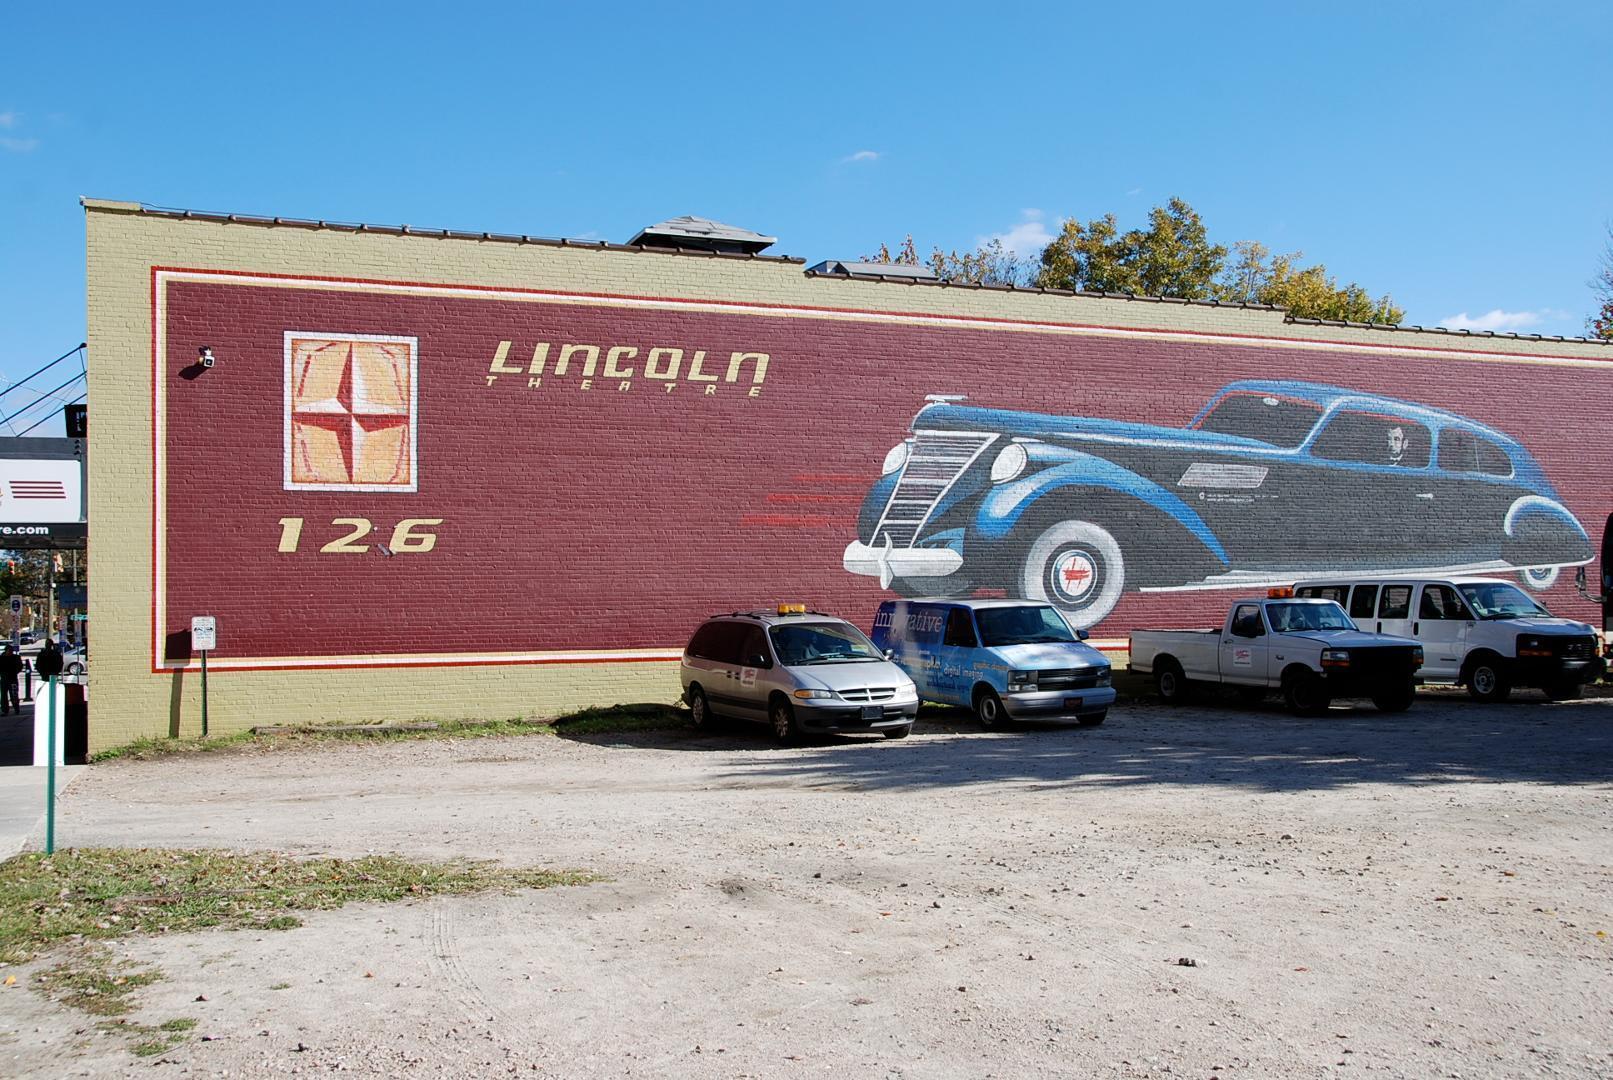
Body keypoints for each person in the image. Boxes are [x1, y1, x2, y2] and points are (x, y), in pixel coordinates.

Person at [0, 645, 20, 715]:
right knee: (4, 696)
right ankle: (5, 710)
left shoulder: (16, 657)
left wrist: (15, 671)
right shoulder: (1, 658)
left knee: (14, 695)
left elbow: (19, 666)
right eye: (9, 650)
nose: (10, 652)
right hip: (4, 679)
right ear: (6, 651)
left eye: (11, 651)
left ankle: (16, 708)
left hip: (13, 679)